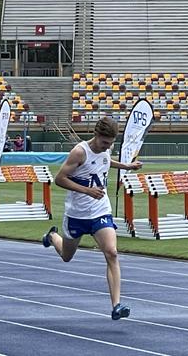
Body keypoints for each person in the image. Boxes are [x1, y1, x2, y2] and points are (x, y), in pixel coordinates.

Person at [40, 116, 142, 321]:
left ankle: (116, 305)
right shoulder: (79, 152)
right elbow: (59, 179)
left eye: (111, 143)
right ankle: (52, 237)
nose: (107, 147)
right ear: (96, 135)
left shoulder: (106, 149)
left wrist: (126, 167)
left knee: (112, 253)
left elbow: (104, 161)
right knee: (66, 257)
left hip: (100, 210)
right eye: (105, 143)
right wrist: (87, 191)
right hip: (77, 213)